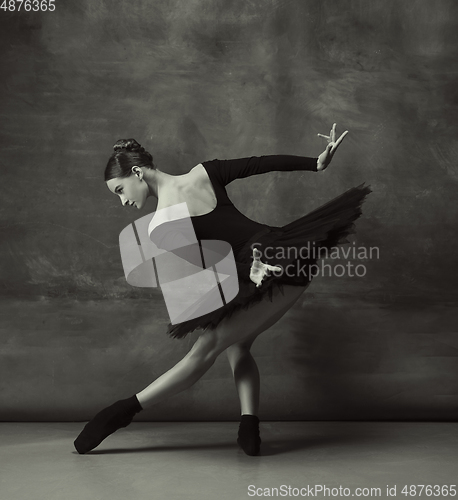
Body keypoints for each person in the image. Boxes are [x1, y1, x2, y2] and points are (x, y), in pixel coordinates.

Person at [74, 124, 372, 456]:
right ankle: (249, 427)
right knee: (238, 347)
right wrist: (314, 163)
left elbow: (212, 260)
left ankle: (121, 411)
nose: (123, 201)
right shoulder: (204, 172)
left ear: (136, 172)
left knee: (206, 348)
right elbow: (260, 163)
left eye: (119, 190)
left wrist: (253, 269)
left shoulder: (161, 225)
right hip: (279, 256)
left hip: (272, 266)